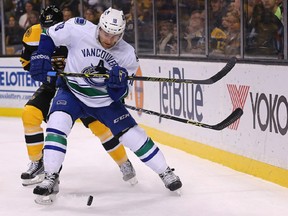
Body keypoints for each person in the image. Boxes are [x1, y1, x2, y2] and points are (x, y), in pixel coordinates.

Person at [29, 7, 182, 204]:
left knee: (132, 136)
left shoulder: (127, 54)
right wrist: (41, 55)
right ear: (99, 27)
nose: (109, 39)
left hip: (104, 101)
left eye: (114, 35)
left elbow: (123, 92)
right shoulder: (78, 28)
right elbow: (49, 35)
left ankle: (165, 171)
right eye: (105, 33)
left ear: (122, 34)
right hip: (72, 92)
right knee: (56, 124)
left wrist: (118, 87)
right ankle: (51, 176)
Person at [19, 5, 137, 189]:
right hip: (53, 85)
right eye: (44, 26)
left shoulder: (76, 32)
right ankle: (38, 163)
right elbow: (26, 62)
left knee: (101, 127)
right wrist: (38, 68)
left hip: (81, 87)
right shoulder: (34, 34)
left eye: (54, 25)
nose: (48, 30)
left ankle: (123, 162)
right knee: (29, 114)